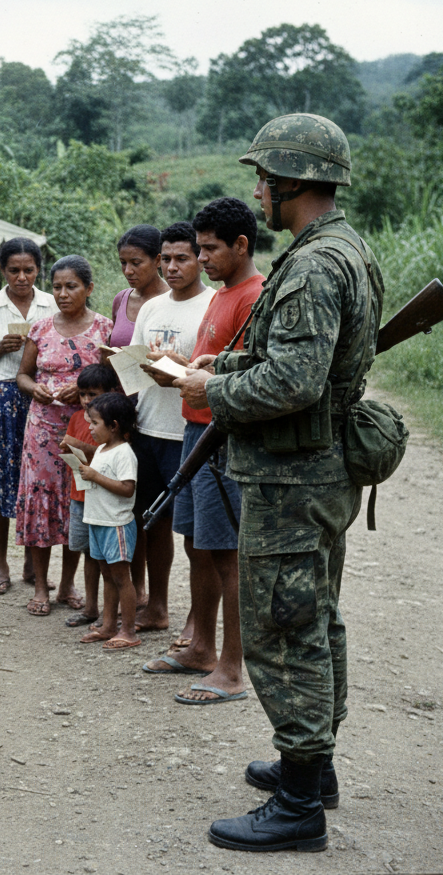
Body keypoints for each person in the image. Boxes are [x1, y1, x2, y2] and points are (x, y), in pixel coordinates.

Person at [174, 114, 380, 852]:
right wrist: (220, 371)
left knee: (287, 629)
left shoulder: (318, 263)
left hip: (295, 475)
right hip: (315, 469)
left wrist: (213, 390)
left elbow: (292, 380)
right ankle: (312, 768)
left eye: (264, 176)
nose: (257, 189)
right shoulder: (338, 249)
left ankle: (298, 807)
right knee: (316, 617)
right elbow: (281, 354)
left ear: (295, 180)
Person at [142, 198, 263, 708]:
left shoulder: (253, 296)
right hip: (195, 431)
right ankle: (201, 647)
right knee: (198, 545)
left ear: (240, 246)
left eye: (210, 249)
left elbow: (256, 376)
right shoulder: (221, 296)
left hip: (223, 437)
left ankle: (232, 668)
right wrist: (181, 365)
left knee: (227, 554)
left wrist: (202, 376)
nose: (201, 257)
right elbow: (219, 364)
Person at [129, 223, 215, 638]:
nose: (173, 266)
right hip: (149, 426)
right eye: (167, 259)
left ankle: (197, 619)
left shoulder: (213, 305)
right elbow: (139, 367)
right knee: (152, 524)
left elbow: (214, 373)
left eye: (183, 258)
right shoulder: (151, 308)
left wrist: (178, 366)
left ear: (200, 258)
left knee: (197, 534)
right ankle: (157, 606)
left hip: (191, 432)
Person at [15, 255, 113, 615]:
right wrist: (34, 389)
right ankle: (41, 586)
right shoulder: (40, 329)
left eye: (71, 286)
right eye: (56, 287)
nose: (62, 293)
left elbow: (114, 380)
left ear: (88, 288)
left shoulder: (104, 329)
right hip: (42, 430)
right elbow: (22, 375)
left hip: (86, 429)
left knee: (77, 504)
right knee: (41, 503)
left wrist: (83, 387)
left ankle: (68, 585)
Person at [0, 238, 56, 593]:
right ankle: (1, 566)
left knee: (36, 482)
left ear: (38, 270)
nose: (22, 277)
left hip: (39, 396)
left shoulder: (51, 303)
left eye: (29, 270)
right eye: (14, 270)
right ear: (3, 270)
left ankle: (34, 565)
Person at [108, 224, 170, 628]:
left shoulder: (170, 300)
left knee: (154, 513)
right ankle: (135, 590)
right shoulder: (121, 300)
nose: (129, 271)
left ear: (158, 260)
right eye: (123, 264)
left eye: (137, 262)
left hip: (157, 415)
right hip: (123, 416)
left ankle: (154, 598)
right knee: (126, 510)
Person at [75, 392, 141, 650]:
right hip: (98, 521)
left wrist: (94, 476)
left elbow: (127, 489)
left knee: (121, 577)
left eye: (94, 423)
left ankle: (129, 630)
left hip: (116, 524)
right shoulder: (102, 449)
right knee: (107, 574)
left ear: (113, 426)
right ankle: (109, 625)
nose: (89, 428)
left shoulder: (124, 453)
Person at [58, 363, 122, 629]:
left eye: (92, 395)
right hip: (80, 495)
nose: (86, 401)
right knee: (87, 552)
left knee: (106, 557)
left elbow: (109, 456)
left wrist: (77, 446)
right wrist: (71, 451)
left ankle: (110, 613)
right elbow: (77, 460)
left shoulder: (113, 426)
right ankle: (90, 608)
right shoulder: (75, 419)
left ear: (110, 393)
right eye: (83, 394)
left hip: (104, 498)